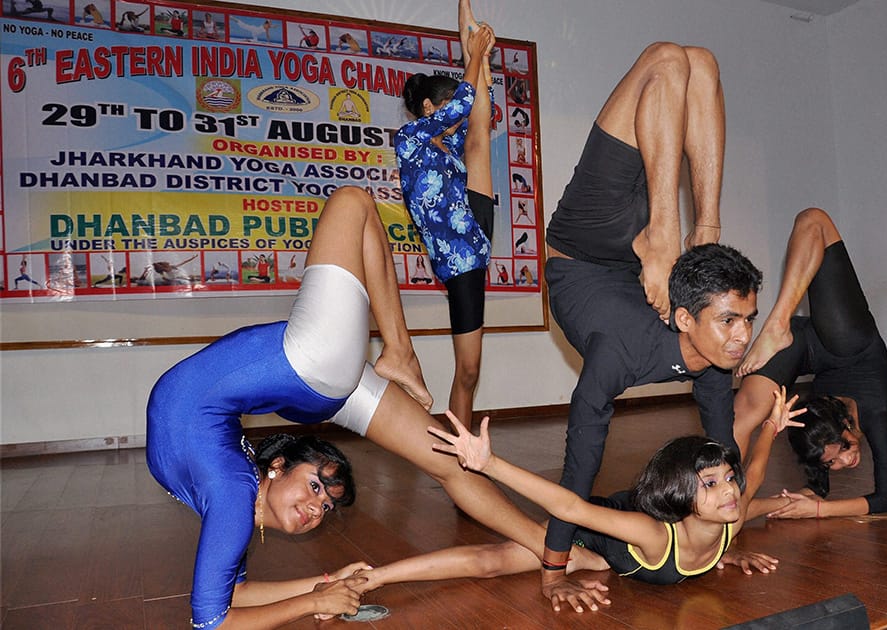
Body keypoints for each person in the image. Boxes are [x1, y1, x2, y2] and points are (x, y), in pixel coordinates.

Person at [146, 186, 600, 628]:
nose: (315, 508)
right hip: (316, 381)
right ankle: (557, 552)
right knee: (449, 463)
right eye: (323, 501)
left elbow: (211, 622)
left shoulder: (229, 497)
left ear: (277, 466)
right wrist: (320, 588)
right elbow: (232, 600)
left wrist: (311, 602)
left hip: (311, 361)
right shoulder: (235, 501)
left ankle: (399, 350)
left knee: (351, 200)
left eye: (315, 489)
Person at [540, 41, 741, 611]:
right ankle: (688, 228)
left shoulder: (668, 357)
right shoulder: (660, 351)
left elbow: (719, 455)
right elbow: (583, 455)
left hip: (579, 252)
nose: (740, 337)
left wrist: (724, 541)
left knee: (680, 61)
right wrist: (554, 567)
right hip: (637, 251)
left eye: (742, 323)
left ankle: (679, 231)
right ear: (688, 318)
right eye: (731, 321)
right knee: (688, 62)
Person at [352, 387, 801, 602]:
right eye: (711, 483)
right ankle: (372, 578)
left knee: (762, 504)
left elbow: (755, 471)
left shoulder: (733, 511)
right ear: (682, 494)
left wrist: (771, 427)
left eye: (726, 479)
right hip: (596, 529)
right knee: (493, 562)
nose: (728, 490)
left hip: (612, 554)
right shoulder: (650, 535)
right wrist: (490, 465)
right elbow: (572, 507)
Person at [733, 207, 887, 519]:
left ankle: (732, 512)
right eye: (843, 451)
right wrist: (815, 508)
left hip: (817, 348)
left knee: (812, 219)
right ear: (846, 425)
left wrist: (803, 508)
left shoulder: (820, 433)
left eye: (833, 460)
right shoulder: (874, 413)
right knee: (744, 413)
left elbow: (828, 495)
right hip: (852, 344)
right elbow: (885, 499)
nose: (843, 463)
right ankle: (722, 501)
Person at [395, 0, 496, 429]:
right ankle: (459, 447)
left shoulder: (448, 147)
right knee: (469, 368)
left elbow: (476, 111)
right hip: (459, 257)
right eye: (448, 107)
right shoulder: (410, 139)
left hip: (475, 228)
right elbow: (462, 106)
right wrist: (472, 59)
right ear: (429, 109)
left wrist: (479, 54)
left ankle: (463, 452)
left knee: (479, 134)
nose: (456, 115)